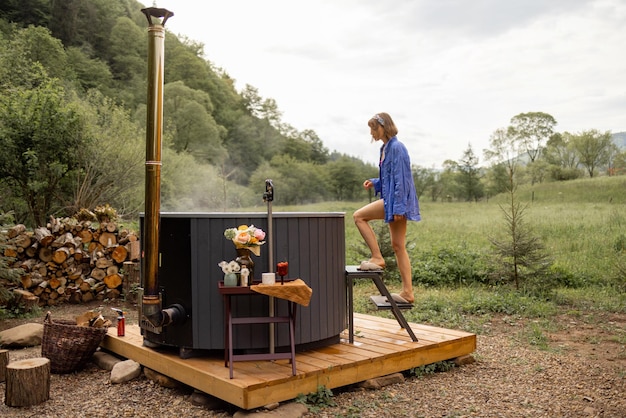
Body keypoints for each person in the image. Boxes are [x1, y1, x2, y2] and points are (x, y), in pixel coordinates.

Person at [353, 112, 421, 304]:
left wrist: (399, 207)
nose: (372, 133)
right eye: (371, 129)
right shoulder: (385, 148)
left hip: (396, 202)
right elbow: (388, 178)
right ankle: (408, 293)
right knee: (398, 246)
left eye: (374, 128)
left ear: (384, 127)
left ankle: (377, 257)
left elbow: (401, 179)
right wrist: (375, 182)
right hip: (392, 200)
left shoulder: (397, 148)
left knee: (359, 217)